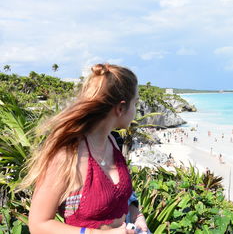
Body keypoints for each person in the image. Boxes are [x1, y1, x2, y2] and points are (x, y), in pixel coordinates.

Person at [21, 64, 149, 234]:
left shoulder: (112, 140)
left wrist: (136, 215)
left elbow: (119, 196)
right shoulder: (67, 155)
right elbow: (38, 224)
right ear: (120, 108)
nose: (135, 111)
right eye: (135, 103)